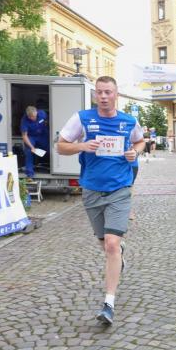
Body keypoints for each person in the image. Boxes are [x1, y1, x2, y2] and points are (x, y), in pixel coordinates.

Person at [57, 76, 144, 326]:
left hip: (120, 188)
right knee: (104, 243)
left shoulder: (128, 121)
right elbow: (61, 146)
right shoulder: (82, 118)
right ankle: (118, 256)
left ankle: (109, 303)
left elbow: (140, 141)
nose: (104, 96)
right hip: (92, 189)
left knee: (112, 244)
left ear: (116, 94)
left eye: (108, 92)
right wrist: (83, 146)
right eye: (100, 92)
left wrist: (134, 152)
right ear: (95, 95)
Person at [20, 106, 50, 179]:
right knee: (29, 151)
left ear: (36, 112)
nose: (32, 118)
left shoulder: (42, 113)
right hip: (31, 136)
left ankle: (50, 167)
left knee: (50, 149)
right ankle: (30, 173)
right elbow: (24, 136)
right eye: (30, 117)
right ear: (27, 115)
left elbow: (49, 119)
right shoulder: (24, 120)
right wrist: (32, 147)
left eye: (34, 116)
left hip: (43, 135)